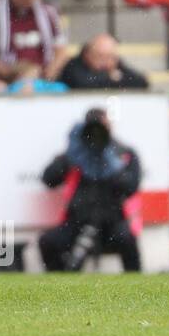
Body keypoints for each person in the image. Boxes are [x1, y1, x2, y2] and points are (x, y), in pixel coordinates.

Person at [39, 108, 142, 272]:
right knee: (48, 241)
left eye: (102, 128)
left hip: (112, 222)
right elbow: (48, 179)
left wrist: (110, 162)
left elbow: (131, 187)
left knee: (127, 238)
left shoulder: (123, 154)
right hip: (78, 221)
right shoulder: (76, 155)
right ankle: (58, 285)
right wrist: (72, 154)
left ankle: (137, 285)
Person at [58, 34, 150, 90]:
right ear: (87, 54)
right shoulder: (73, 66)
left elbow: (141, 82)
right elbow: (83, 84)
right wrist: (110, 77)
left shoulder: (116, 64)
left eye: (110, 57)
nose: (106, 62)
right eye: (100, 57)